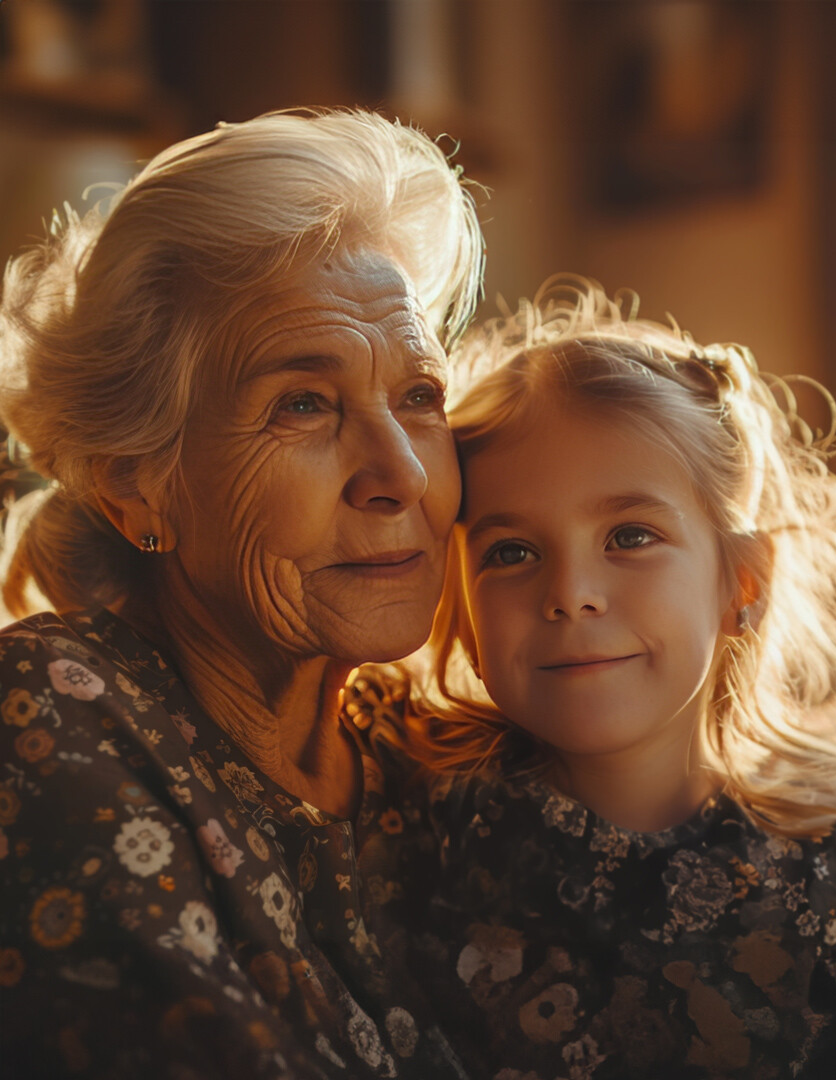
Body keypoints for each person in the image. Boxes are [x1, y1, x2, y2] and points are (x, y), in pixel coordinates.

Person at [0, 109, 483, 1076]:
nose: (401, 474)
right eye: (303, 404)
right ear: (135, 480)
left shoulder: (423, 743)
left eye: (420, 396)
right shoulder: (50, 709)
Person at [391, 280, 836, 1078]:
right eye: (510, 552)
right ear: (459, 607)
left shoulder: (819, 879)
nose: (569, 592)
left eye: (629, 535)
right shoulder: (414, 809)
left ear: (742, 583)